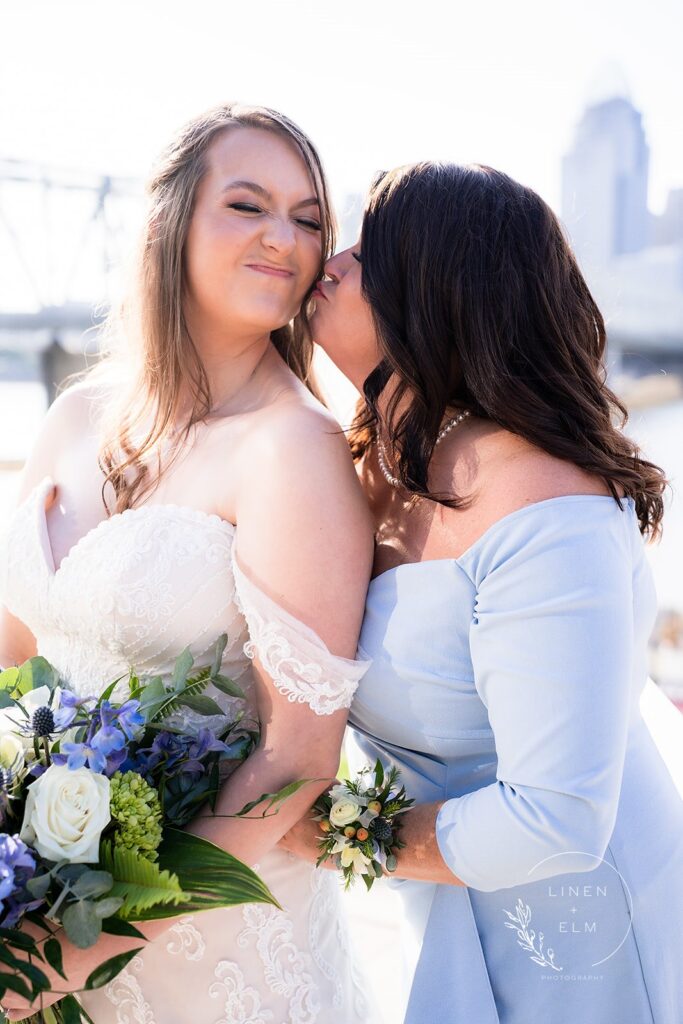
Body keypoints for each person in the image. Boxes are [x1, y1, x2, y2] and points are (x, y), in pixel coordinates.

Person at [0, 103, 376, 1022]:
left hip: (210, 958)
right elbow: (14, 664)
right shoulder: (74, 419)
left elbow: (299, 758)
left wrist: (80, 949)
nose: (284, 239)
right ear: (169, 222)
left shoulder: (295, 448)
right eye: (247, 205)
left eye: (307, 218)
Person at [284, 161, 683, 1023]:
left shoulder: (546, 508)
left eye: (371, 248)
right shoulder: (366, 467)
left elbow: (556, 816)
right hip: (433, 905)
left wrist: (325, 833)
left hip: (577, 937)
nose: (333, 261)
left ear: (439, 289)